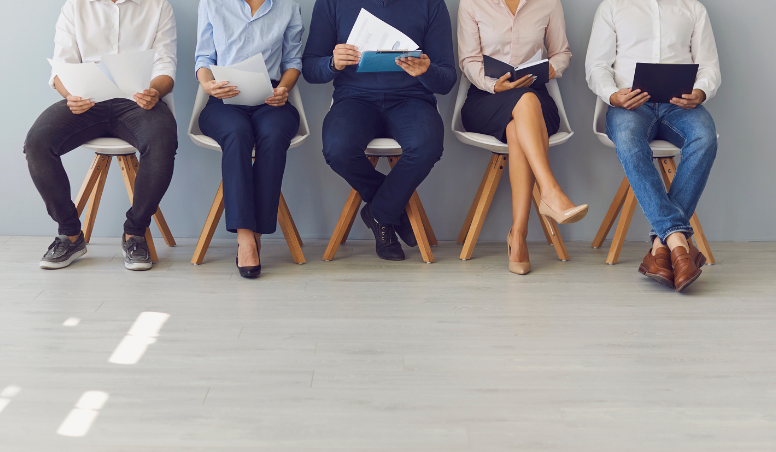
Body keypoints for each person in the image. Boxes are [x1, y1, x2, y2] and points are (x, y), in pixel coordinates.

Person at [25, 0, 178, 271]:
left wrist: (154, 90)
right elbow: (60, 66)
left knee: (163, 140)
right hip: (86, 100)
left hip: (138, 100)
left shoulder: (157, 5)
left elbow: (166, 63)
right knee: (37, 142)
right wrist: (69, 96)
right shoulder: (75, 6)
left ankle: (135, 232)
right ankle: (70, 234)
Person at [302, 0, 456, 261]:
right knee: (337, 148)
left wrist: (426, 71)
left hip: (411, 99)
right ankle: (393, 211)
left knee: (426, 145)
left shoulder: (430, 4)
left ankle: (379, 213)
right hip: (354, 98)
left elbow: (447, 79)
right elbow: (310, 68)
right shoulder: (332, 3)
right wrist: (332, 63)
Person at [586, 0, 721, 292]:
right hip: (630, 106)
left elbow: (709, 66)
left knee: (705, 138)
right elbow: (596, 66)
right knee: (630, 144)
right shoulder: (612, 6)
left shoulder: (693, 8)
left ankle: (662, 246)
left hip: (679, 106)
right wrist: (613, 95)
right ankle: (679, 243)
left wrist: (700, 91)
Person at [458, 0, 588, 275]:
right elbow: (468, 60)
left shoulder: (548, 2)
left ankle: (518, 235)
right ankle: (550, 192)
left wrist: (552, 68)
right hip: (487, 97)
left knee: (519, 123)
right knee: (521, 109)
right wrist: (494, 84)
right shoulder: (471, 3)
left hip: (536, 98)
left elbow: (562, 53)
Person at [195, 0, 303, 279]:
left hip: (271, 101)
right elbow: (204, 59)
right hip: (223, 102)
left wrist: (284, 88)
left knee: (274, 133)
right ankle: (245, 238)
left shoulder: (288, 5)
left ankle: (257, 233)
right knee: (237, 133)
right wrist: (208, 85)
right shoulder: (211, 3)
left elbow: (292, 62)